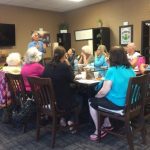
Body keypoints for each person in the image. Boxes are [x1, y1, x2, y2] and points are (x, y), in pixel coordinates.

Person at [89, 46, 136, 141]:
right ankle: (107, 124)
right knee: (103, 100)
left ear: (112, 57)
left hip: (119, 105)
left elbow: (103, 91)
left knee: (91, 101)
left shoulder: (112, 70)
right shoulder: (130, 69)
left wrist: (96, 96)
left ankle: (99, 131)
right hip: (130, 103)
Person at [42, 46, 82, 130]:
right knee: (80, 97)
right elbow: (72, 78)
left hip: (49, 99)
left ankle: (63, 118)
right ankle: (72, 120)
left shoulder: (47, 65)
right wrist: (68, 64)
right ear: (64, 55)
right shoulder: (64, 66)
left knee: (67, 93)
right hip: (61, 101)